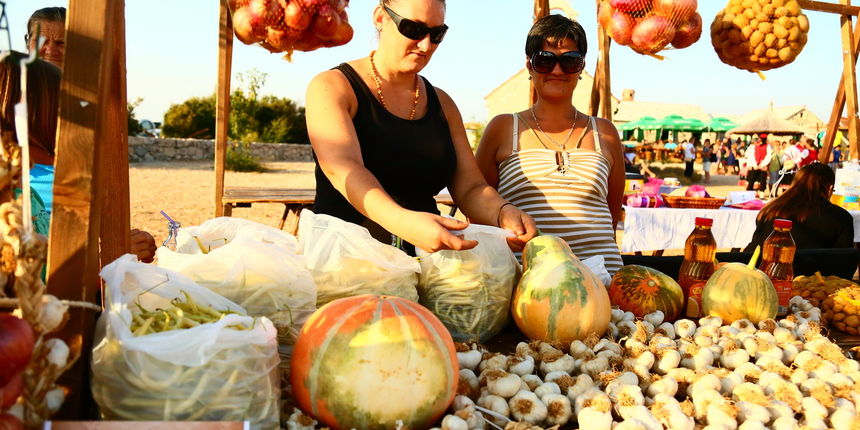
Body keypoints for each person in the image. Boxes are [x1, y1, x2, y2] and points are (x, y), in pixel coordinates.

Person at [305, 0, 537, 255]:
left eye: (437, 34)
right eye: (413, 29)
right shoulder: (332, 87)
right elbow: (342, 169)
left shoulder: (443, 104)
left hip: (425, 265)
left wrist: (502, 212)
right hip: (345, 259)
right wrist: (404, 223)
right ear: (381, 17)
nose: (426, 45)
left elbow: (470, 187)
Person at [475, 14, 624, 274]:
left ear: (581, 67)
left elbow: (610, 216)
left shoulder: (605, 132)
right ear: (529, 66)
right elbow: (477, 204)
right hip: (527, 284)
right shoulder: (503, 128)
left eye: (569, 61)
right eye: (544, 60)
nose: (557, 70)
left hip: (604, 282)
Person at [0, 51, 156, 262]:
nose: (75, 128)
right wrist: (109, 261)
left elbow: (53, 259)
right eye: (63, 114)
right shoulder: (9, 211)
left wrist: (120, 250)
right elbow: (37, 280)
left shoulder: (28, 195)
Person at [744, 163, 854, 251]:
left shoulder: (770, 210)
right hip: (818, 272)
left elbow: (754, 250)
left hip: (768, 271)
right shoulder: (841, 217)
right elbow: (845, 262)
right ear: (830, 188)